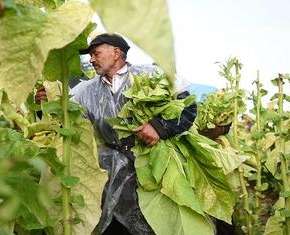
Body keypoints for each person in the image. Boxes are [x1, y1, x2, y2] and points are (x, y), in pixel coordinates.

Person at [36, 33, 197, 235]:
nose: (91, 59)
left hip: (151, 164)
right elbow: (67, 118)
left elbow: (187, 107)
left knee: (152, 222)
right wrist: (46, 102)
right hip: (110, 166)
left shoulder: (149, 75)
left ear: (116, 52)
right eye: (90, 56)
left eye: (96, 53)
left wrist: (159, 127)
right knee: (112, 221)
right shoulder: (86, 90)